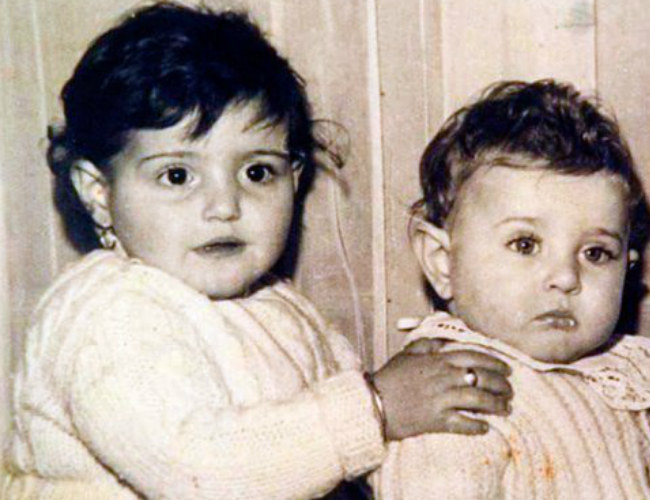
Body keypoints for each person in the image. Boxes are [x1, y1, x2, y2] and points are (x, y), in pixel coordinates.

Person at [0, 4, 513, 499]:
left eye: (257, 172)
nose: (225, 206)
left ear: (294, 178)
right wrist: (376, 408)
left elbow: (320, 442)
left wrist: (400, 390)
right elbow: (200, 472)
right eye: (177, 175)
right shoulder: (106, 314)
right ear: (98, 193)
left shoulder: (277, 305)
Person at [369, 80, 650, 499]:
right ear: (441, 261)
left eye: (595, 253)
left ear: (626, 267)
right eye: (525, 244)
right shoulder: (454, 389)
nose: (566, 277)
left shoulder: (632, 375)